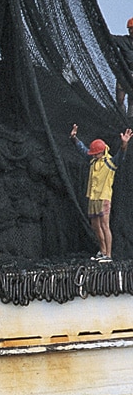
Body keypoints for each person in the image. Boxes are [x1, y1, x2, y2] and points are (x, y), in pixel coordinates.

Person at [70, 123, 132, 260]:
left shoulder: (110, 162)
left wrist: (124, 144)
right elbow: (83, 150)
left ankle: (108, 255)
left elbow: (121, 155)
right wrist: (74, 138)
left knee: (105, 225)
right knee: (95, 226)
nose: (93, 155)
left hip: (104, 197)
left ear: (101, 152)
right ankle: (102, 251)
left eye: (95, 153)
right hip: (93, 197)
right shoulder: (93, 161)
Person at [113, 17, 133, 118]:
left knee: (132, 100)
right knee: (120, 99)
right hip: (124, 74)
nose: (131, 31)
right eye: (130, 29)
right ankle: (122, 118)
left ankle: (130, 120)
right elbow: (109, 38)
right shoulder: (123, 41)